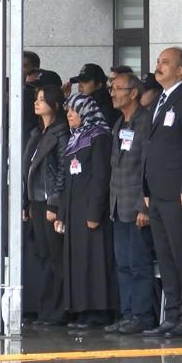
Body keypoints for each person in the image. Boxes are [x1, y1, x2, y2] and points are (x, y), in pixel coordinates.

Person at [142, 47, 182, 338]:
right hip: (157, 192)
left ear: (181, 70)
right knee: (166, 255)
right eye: (158, 62)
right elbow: (152, 147)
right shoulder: (161, 99)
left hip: (178, 192)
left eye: (165, 63)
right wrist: (145, 187)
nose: (159, 67)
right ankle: (172, 313)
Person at [56, 93, 117, 328]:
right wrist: (62, 213)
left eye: (73, 110)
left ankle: (98, 310)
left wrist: (94, 212)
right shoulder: (75, 138)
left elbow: (101, 177)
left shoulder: (99, 137)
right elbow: (67, 179)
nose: (69, 115)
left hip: (91, 210)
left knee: (95, 259)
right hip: (74, 208)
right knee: (78, 259)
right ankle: (82, 308)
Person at [106, 73, 155, 334]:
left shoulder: (145, 122)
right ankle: (128, 313)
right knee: (123, 263)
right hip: (117, 203)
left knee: (138, 264)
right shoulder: (119, 123)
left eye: (118, 89)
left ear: (133, 93)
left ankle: (142, 315)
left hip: (136, 204)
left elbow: (147, 167)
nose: (112, 93)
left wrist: (144, 206)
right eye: (111, 89)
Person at [22, 84, 69, 326]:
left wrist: (55, 203)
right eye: (36, 99)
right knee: (42, 255)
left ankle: (57, 309)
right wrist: (26, 200)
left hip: (50, 201)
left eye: (43, 99)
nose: (37, 102)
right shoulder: (36, 133)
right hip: (36, 200)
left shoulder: (60, 132)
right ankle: (45, 308)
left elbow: (61, 170)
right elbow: (28, 170)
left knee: (55, 256)